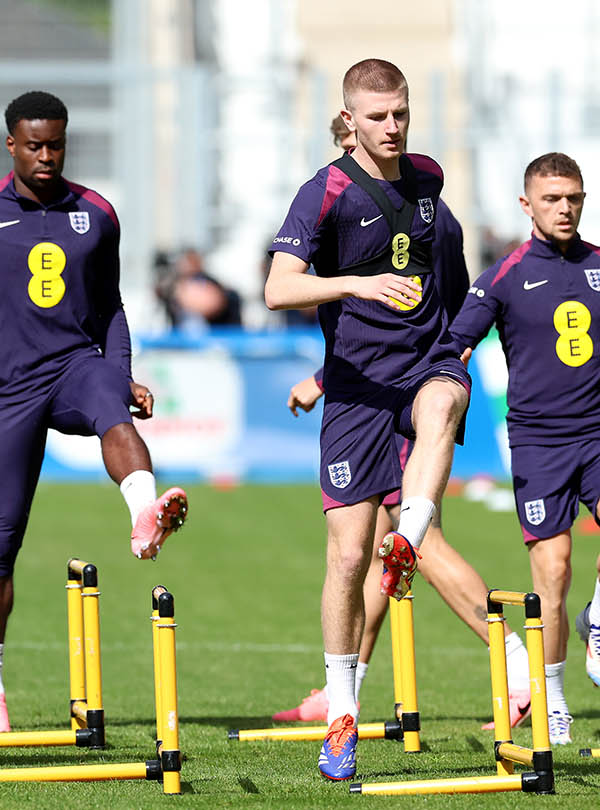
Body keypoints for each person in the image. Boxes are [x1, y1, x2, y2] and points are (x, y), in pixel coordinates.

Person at [0, 91, 186, 733]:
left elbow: (110, 305)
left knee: (113, 407)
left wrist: (119, 374)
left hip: (74, 366)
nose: (46, 155)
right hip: (7, 390)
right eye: (34, 145)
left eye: (56, 144)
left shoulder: (96, 213)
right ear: (11, 144)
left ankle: (144, 514)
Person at [273, 114, 532, 729]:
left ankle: (515, 663)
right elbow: (377, 309)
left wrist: (441, 363)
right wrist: (323, 377)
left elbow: (433, 301)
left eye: (397, 119)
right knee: (379, 548)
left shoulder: (429, 209)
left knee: (416, 544)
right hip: (369, 384)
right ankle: (347, 687)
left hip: (409, 387)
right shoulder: (347, 198)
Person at [264, 59, 469, 781]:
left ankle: (409, 537)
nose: (393, 127)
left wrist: (458, 336)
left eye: (402, 113)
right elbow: (275, 288)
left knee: (445, 400)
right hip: (355, 389)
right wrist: (355, 285)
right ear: (348, 118)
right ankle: (343, 712)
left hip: (423, 366)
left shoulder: (430, 182)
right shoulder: (323, 192)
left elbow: (450, 278)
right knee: (348, 559)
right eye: (378, 116)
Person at [447, 152, 600, 745]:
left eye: (575, 198)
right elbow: (454, 345)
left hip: (597, 432)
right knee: (554, 572)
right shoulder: (504, 275)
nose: (565, 208)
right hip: (539, 443)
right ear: (527, 204)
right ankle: (552, 694)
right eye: (553, 198)